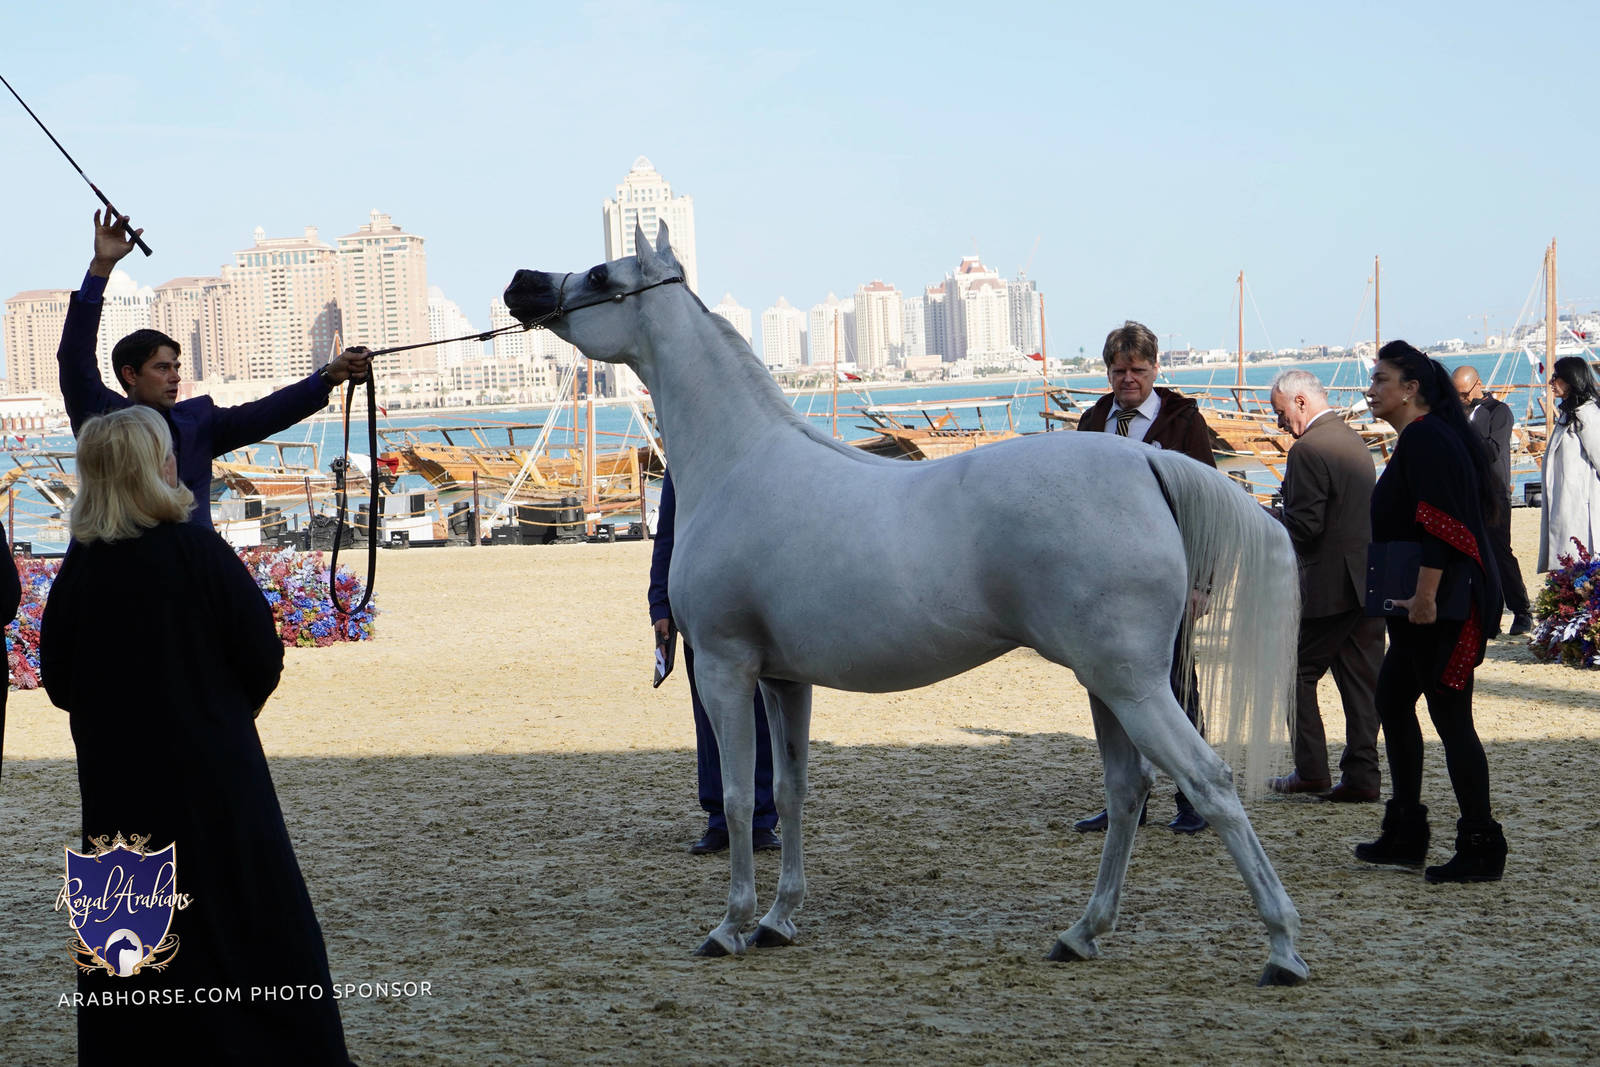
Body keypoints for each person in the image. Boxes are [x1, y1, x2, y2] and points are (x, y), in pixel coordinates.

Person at [40, 407, 351, 1063]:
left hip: (120, 785)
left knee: (129, 941)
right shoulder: (197, 550)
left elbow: (58, 679)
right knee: (247, 917)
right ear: (153, 469)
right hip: (218, 774)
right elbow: (261, 654)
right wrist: (224, 713)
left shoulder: (81, 570)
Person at [60, 211, 371, 529]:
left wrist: (328, 377)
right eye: (162, 368)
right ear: (130, 375)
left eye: (177, 367)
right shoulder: (103, 419)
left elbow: (266, 414)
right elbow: (74, 359)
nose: (175, 376)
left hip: (192, 556)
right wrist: (101, 268)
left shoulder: (197, 422)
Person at [1355, 341, 1506, 883]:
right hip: (1420, 605)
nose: (1371, 390)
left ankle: (1482, 844)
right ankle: (1405, 831)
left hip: (1439, 608)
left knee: (1452, 719)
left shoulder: (1426, 438)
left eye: (1381, 379)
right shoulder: (1424, 437)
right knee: (1393, 702)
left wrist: (1424, 597)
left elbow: (1442, 525)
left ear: (1411, 388)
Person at [1073, 320, 1213, 835]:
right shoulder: (1093, 422)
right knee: (1112, 686)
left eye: (1137, 369)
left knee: (1177, 687)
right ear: (1108, 372)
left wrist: (1203, 582)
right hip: (1105, 582)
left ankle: (1196, 797)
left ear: (1155, 369)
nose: (1128, 379)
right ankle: (1127, 801)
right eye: (1119, 370)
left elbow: (1205, 506)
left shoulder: (1184, 423)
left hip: (1167, 577)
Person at [1265, 370, 1385, 803]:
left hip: (1329, 584)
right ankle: (1362, 776)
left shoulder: (1308, 449)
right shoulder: (1353, 440)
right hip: (1368, 579)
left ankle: (1312, 770)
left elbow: (1305, 527)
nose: (1279, 422)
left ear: (1300, 401)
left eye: (1280, 412)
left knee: (1292, 671)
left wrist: (1264, 517)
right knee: (1362, 683)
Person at [649, 469, 780, 855]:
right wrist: (660, 603)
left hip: (759, 601)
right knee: (711, 720)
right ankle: (721, 819)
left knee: (763, 713)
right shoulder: (684, 463)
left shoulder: (757, 455)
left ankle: (761, 819)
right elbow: (668, 534)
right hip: (704, 605)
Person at [1453, 366, 1533, 634]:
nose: (1461, 399)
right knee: (1470, 554)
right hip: (1464, 493)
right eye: (1456, 395)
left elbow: (1492, 451)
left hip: (1494, 494)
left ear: (1478, 385)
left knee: (1499, 553)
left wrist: (1465, 428)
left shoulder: (1499, 411)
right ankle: (1487, 616)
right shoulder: (1455, 412)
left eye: (1464, 394)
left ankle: (1521, 611)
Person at [1536, 356, 1600, 573]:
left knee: (1578, 565)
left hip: (1581, 506)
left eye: (1556, 377)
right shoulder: (1569, 413)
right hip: (1565, 503)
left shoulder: (1587, 415)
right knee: (1566, 563)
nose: (1551, 382)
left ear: (1571, 380)